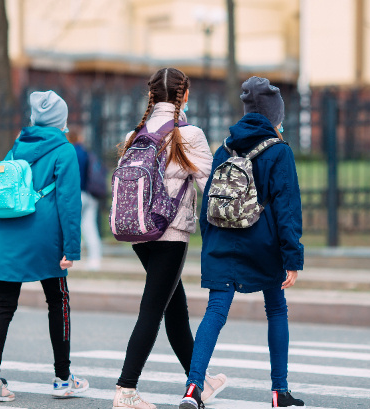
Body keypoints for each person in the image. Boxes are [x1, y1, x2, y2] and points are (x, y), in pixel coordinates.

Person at [179, 76, 305, 409]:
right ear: (275, 117)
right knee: (276, 309)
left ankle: (193, 387)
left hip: (222, 241)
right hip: (263, 244)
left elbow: (209, 199)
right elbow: (287, 207)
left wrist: (212, 245)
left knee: (215, 311)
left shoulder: (225, 147)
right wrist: (292, 257)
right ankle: (280, 391)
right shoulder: (279, 152)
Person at [111, 68, 225, 409]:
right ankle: (125, 389)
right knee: (153, 310)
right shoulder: (189, 135)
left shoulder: (135, 134)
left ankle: (199, 381)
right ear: (184, 95)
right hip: (170, 234)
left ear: (151, 97)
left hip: (139, 233)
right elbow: (212, 189)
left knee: (175, 308)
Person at [0, 90, 88, 402]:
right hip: (45, 239)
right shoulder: (64, 151)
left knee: (3, 306)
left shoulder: (16, 146)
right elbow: (69, 203)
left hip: (10, 235)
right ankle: (63, 378)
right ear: (61, 121)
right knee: (58, 301)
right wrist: (72, 248)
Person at [68, 129, 103, 271]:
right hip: (90, 195)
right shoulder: (87, 153)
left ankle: (67, 258)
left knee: (67, 227)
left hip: (76, 195)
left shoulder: (71, 153)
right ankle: (95, 260)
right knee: (90, 227)